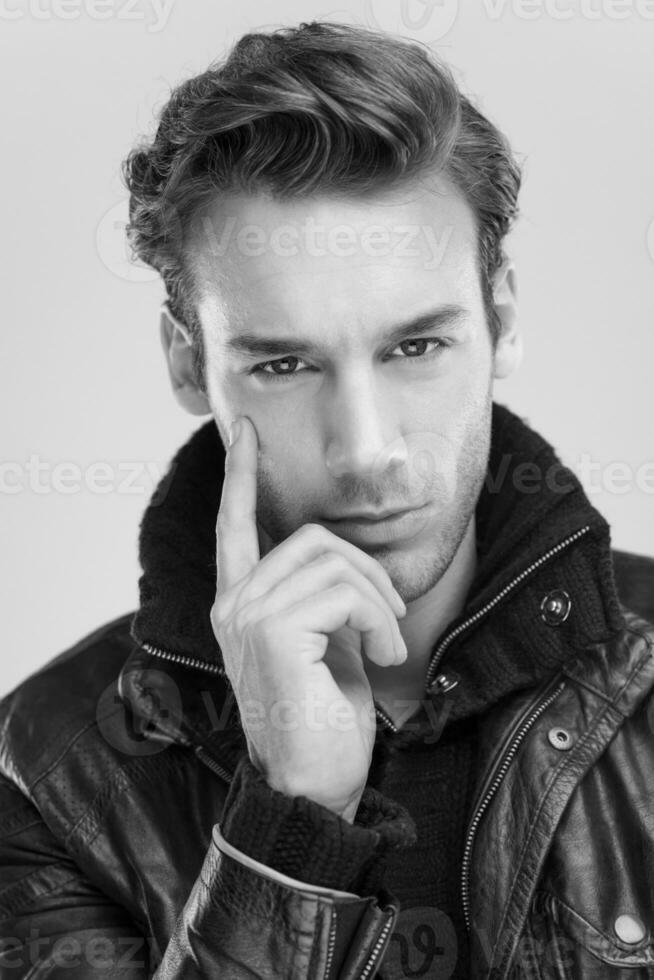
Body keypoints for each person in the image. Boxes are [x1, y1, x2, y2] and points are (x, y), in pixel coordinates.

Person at [1, 20, 653, 980]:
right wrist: (288, 830)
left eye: (415, 348)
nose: (367, 451)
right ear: (189, 360)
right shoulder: (50, 775)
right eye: (285, 363)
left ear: (501, 323)